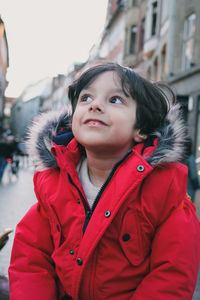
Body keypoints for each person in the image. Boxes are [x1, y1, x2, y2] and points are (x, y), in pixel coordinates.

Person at [9, 63, 200, 300]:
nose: (95, 105)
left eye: (116, 100)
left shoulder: (165, 190)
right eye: (86, 97)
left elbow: (172, 276)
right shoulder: (54, 183)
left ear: (140, 128)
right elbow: (31, 256)